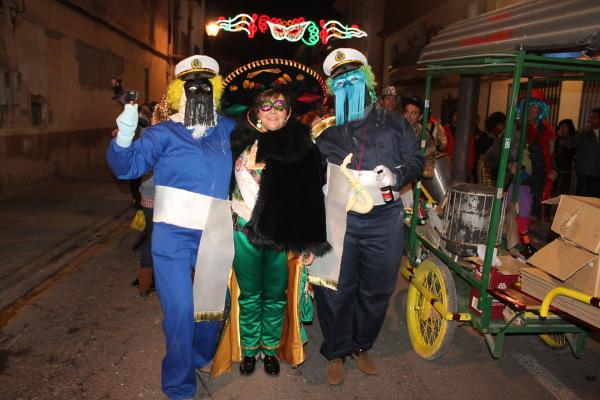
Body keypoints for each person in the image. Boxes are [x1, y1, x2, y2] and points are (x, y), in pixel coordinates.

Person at [106, 55, 236, 400]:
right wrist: (125, 135)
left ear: (216, 90)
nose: (198, 91)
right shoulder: (164, 132)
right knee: (179, 309)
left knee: (213, 304)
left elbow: (259, 157)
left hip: (215, 233)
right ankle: (179, 386)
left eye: (206, 85)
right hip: (173, 234)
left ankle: (201, 356)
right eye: (190, 85)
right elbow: (127, 167)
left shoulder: (227, 128)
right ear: (179, 91)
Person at [211, 59, 331, 377]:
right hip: (241, 232)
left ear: (288, 111)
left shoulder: (302, 146)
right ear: (257, 111)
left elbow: (311, 198)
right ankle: (249, 350)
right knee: (250, 296)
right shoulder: (238, 141)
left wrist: (309, 242)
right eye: (267, 107)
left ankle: (270, 349)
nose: (273, 112)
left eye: (279, 106)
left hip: (282, 236)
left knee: (276, 297)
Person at [312, 48, 424, 385]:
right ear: (334, 89)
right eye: (341, 80)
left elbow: (416, 161)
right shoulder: (327, 132)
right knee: (334, 288)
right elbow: (307, 175)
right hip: (339, 220)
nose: (349, 83)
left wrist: (398, 173)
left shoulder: (396, 124)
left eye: (354, 77)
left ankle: (362, 344)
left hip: (384, 218)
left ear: (367, 81)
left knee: (377, 288)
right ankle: (336, 350)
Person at [569, 108, 600, 197]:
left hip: (597, 173)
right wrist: (582, 132)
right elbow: (572, 144)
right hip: (584, 172)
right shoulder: (584, 133)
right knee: (582, 197)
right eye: (590, 117)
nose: (590, 120)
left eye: (594, 117)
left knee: (595, 199)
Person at [477, 112, 506, 185]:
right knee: (485, 188)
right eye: (499, 124)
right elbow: (480, 149)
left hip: (494, 165)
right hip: (485, 164)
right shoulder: (486, 135)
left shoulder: (501, 135)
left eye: (503, 124)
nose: (502, 126)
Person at [552, 118, 576, 196]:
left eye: (565, 126)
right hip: (555, 171)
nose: (562, 128)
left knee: (563, 194)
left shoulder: (573, 140)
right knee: (552, 192)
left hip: (567, 173)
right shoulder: (557, 140)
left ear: (570, 128)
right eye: (561, 126)